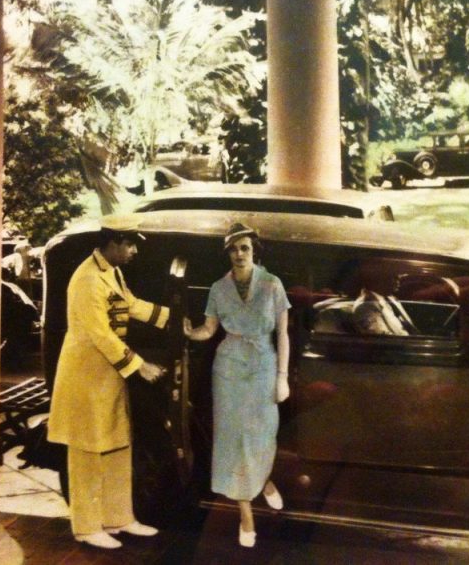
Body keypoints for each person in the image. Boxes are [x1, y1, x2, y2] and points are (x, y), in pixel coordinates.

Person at [46, 214, 169, 550]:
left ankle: (119, 517)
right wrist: (140, 366)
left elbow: (129, 304)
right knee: (87, 451)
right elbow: (100, 334)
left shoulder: (111, 271)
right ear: (113, 242)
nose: (134, 252)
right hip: (86, 378)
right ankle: (86, 526)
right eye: (129, 245)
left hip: (109, 377)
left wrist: (172, 319)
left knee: (117, 446)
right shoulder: (87, 279)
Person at [183, 222, 290, 548]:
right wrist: (191, 332)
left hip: (263, 367)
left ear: (254, 250)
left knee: (262, 436)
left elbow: (283, 334)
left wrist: (282, 377)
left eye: (245, 248)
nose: (239, 254)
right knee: (233, 440)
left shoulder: (272, 284)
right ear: (227, 253)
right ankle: (246, 515)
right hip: (228, 369)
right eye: (233, 249)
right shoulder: (218, 288)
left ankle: (264, 481)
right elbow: (209, 329)